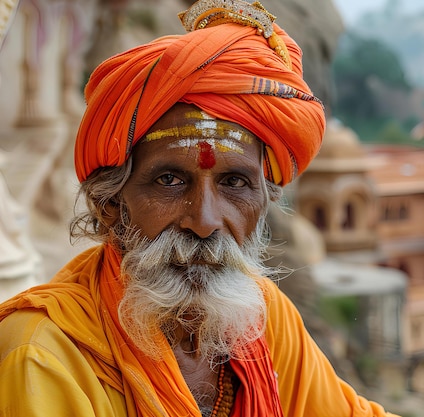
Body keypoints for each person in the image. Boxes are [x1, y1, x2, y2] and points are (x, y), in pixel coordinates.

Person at [0, 1, 400, 416]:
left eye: (234, 183)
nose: (206, 222)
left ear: (264, 204)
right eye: (170, 181)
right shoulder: (44, 355)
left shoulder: (263, 316)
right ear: (110, 206)